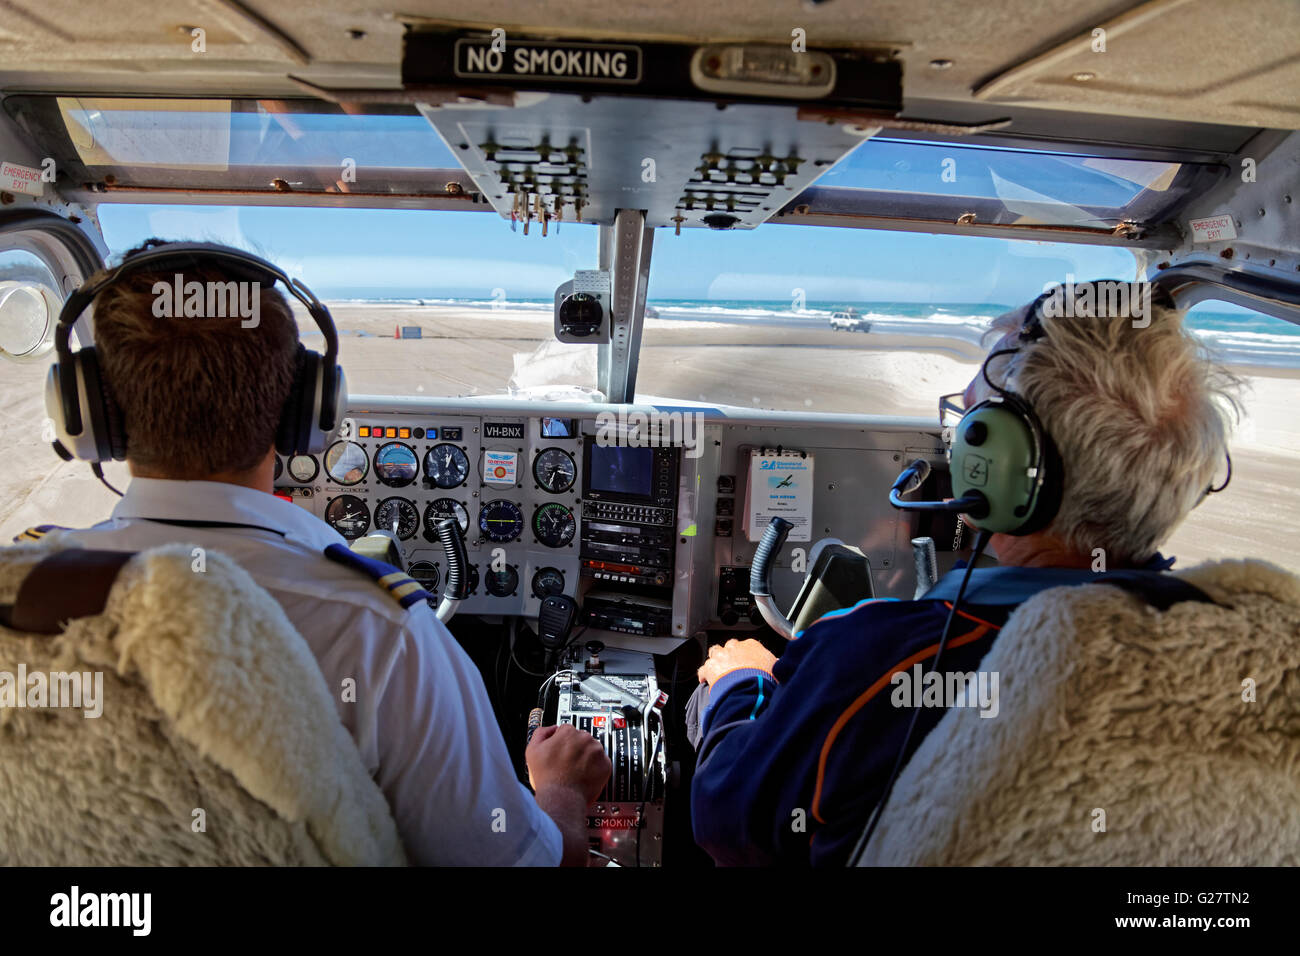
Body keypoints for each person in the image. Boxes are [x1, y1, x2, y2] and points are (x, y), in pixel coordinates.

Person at [54, 240, 610, 865]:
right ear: (307, 411)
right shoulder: (382, 634)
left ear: (86, 412)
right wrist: (561, 792)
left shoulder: (20, 598)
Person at [689, 281, 1241, 866]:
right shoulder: (1231, 649)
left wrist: (736, 685)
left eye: (972, 429)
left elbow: (727, 819)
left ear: (1000, 468)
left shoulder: (883, 661)